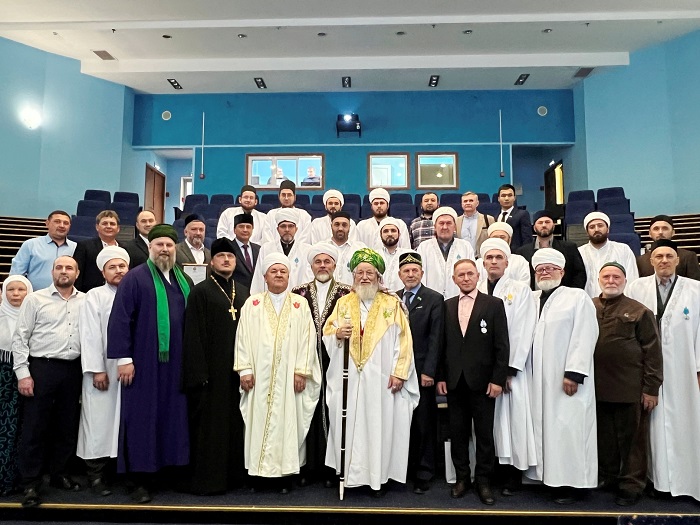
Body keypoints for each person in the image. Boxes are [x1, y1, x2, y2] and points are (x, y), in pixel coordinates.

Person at [323, 248, 419, 497]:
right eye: (360, 273)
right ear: (353, 276)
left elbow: (404, 341)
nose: (365, 277)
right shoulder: (343, 303)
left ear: (378, 277)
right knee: (349, 424)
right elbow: (327, 332)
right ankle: (349, 476)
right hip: (349, 380)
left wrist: (400, 373)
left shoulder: (391, 304)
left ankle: (377, 479)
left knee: (378, 427)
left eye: (370, 273)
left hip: (381, 380)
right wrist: (337, 334)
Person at [107, 224, 193, 504]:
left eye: (169, 245)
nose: (164, 250)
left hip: (176, 364)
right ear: (150, 247)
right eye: (159, 245)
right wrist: (124, 359)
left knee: (172, 416)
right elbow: (120, 319)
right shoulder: (135, 278)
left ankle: (167, 472)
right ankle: (139, 479)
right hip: (143, 363)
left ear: (175, 249)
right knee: (142, 417)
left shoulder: (183, 279)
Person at [234, 253, 320, 493]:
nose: (279, 275)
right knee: (257, 422)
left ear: (289, 276)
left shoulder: (300, 304)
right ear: (265, 277)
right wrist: (245, 370)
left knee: (287, 423)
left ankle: (284, 477)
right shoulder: (252, 304)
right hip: (258, 378)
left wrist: (302, 371)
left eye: (283, 271)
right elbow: (242, 338)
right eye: (274, 271)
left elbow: (308, 339)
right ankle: (258, 476)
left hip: (289, 378)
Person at [626, 240, 700, 501]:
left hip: (684, 368)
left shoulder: (695, 290)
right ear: (651, 261)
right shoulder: (636, 287)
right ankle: (656, 481)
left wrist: (698, 369)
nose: (664, 260)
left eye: (669, 256)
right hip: (646, 367)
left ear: (678, 260)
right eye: (659, 256)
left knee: (684, 421)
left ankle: (686, 481)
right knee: (651, 425)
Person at [527, 248, 598, 504]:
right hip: (537, 380)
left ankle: (574, 483)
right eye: (540, 269)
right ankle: (548, 478)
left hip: (566, 379)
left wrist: (574, 373)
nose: (545, 272)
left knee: (569, 429)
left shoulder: (576, 297)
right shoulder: (531, 298)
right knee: (547, 429)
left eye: (550, 268)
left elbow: (585, 334)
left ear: (563, 272)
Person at [12, 256, 85, 508]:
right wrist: (23, 374)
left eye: (69, 268)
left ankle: (59, 474)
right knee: (35, 427)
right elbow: (20, 337)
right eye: (59, 267)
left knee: (67, 425)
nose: (64, 271)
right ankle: (30, 482)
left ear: (77, 273)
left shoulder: (86, 300)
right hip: (42, 368)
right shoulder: (35, 299)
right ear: (52, 272)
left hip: (73, 369)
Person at [437, 258, 509, 505]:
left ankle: (484, 481)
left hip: (483, 382)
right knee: (458, 433)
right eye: (461, 275)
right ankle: (462, 479)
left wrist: (498, 379)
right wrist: (441, 376)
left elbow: (502, 345)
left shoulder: (494, 304)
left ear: (478, 276)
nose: (466, 278)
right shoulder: (446, 306)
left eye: (470, 274)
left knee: (484, 434)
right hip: (454, 381)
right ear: (454, 279)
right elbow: (441, 345)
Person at [182, 238, 250, 495]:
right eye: (221, 256)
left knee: (234, 424)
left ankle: (234, 477)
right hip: (210, 373)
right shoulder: (200, 292)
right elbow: (193, 335)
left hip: (237, 371)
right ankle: (209, 481)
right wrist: (199, 373)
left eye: (230, 257)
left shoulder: (243, 292)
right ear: (212, 262)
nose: (226, 260)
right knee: (210, 428)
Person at [593, 262, 662, 506]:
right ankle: (608, 476)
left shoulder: (640, 311)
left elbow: (653, 352)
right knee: (604, 437)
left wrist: (651, 389)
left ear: (625, 280)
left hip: (630, 387)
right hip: (596, 388)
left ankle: (632, 484)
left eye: (616, 277)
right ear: (598, 280)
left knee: (632, 441)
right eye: (606, 277)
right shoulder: (589, 306)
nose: (611, 281)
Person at [476, 238, 537, 496]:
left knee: (511, 422)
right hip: (481, 369)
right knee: (486, 424)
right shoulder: (475, 288)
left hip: (509, 370)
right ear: (483, 263)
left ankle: (512, 475)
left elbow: (524, 329)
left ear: (507, 262)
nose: (493, 262)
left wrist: (509, 370)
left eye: (498, 257)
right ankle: (488, 473)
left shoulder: (520, 291)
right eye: (489, 258)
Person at [292, 245, 352, 487]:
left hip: (335, 360)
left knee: (333, 410)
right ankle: (307, 466)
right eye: (318, 262)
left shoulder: (347, 293)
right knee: (307, 410)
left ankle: (331, 468)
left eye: (327, 261)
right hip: (305, 360)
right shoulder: (298, 294)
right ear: (311, 266)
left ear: (335, 265)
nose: (323, 266)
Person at [77, 246, 130, 497]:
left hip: (129, 370)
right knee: (99, 421)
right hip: (103, 371)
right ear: (102, 272)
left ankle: (122, 472)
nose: (118, 271)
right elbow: (89, 335)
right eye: (112, 267)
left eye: (122, 266)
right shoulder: (94, 296)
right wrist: (97, 370)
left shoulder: (135, 292)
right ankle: (96, 475)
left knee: (123, 422)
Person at [396, 252, 444, 494]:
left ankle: (424, 472)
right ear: (399, 274)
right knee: (400, 422)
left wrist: (429, 371)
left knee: (424, 423)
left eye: (415, 270)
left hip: (421, 371)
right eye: (406, 271)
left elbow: (436, 338)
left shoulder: (434, 298)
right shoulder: (393, 299)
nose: (411, 274)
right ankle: (402, 469)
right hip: (398, 373)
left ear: (422, 273)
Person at [0, 275, 32, 496]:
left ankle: (22, 478)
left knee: (24, 427)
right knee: (5, 426)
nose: (16, 294)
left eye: (21, 289)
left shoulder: (35, 315)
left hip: (29, 375)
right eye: (11, 289)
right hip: (3, 377)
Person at [516, 210, 587, 290]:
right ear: (534, 228)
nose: (544, 225)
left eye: (547, 222)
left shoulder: (569, 248)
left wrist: (571, 294)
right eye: (540, 223)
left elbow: (579, 274)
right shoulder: (522, 252)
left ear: (553, 226)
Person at [10, 210, 76, 290]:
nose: (62, 226)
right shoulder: (31, 245)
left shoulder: (76, 247)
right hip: (36, 295)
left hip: (67, 296)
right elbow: (16, 275)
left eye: (65, 223)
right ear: (47, 223)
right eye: (57, 222)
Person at [417, 206, 475, 299]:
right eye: (441, 223)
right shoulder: (424, 247)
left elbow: (471, 275)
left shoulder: (465, 246)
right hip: (431, 301)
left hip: (459, 300)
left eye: (449, 223)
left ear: (455, 227)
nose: (445, 227)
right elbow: (420, 276)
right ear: (435, 226)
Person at [251, 208, 312, 294]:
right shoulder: (266, 248)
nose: (287, 229)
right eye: (283, 226)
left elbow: (308, 279)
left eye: (290, 226)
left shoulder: (306, 250)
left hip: (298, 299)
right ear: (277, 229)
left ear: (296, 229)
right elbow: (259, 278)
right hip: (270, 298)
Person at [579, 212, 639, 297]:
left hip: (618, 302)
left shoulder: (623, 249)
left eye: (600, 226)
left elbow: (632, 278)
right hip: (587, 301)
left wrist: (627, 302)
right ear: (587, 232)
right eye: (592, 227)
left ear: (608, 229)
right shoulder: (579, 252)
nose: (596, 229)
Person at [636, 215, 700, 280]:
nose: (660, 232)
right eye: (656, 229)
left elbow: (695, 284)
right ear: (649, 233)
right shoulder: (641, 261)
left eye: (665, 228)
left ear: (673, 232)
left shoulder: (688, 257)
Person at [74, 210, 121, 293]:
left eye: (112, 224)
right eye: (104, 223)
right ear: (97, 227)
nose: (108, 226)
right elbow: (77, 274)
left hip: (119, 293)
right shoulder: (84, 246)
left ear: (118, 228)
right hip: (91, 294)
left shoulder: (124, 248)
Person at [324, 211, 366, 286]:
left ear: (349, 227)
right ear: (331, 226)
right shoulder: (322, 247)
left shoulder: (360, 249)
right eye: (337, 224)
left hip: (353, 292)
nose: (340, 228)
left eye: (344, 225)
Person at [455, 192, 495, 256]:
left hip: (481, 257)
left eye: (471, 201)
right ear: (462, 204)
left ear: (477, 203)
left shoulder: (488, 219)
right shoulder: (456, 221)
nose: (468, 203)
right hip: (462, 257)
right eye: (465, 201)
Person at [376, 217, 409, 291]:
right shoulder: (374, 256)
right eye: (386, 231)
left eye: (393, 231)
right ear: (380, 235)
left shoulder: (408, 255)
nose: (390, 234)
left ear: (399, 234)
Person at [495, 184, 532, 250]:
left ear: (514, 198)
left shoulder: (522, 214)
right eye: (503, 196)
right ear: (498, 199)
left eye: (510, 195)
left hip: (517, 252)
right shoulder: (494, 216)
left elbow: (527, 238)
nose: (506, 198)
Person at [229, 214, 260, 290]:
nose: (245, 230)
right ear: (234, 230)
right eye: (241, 227)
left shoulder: (259, 249)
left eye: (248, 227)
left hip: (256, 291)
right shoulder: (228, 248)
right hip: (235, 291)